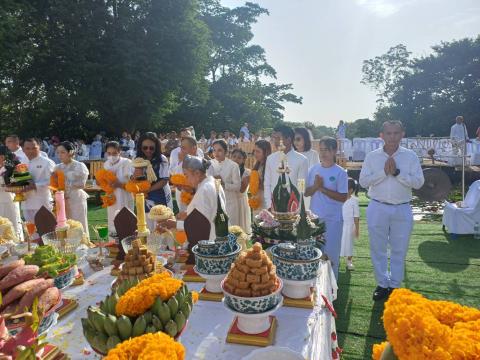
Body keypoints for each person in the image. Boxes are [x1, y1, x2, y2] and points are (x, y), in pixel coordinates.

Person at [359, 120, 424, 301]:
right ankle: (382, 284)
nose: (392, 137)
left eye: (396, 133)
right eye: (389, 133)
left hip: (402, 207)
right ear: (382, 135)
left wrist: (397, 173)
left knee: (399, 249)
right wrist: (383, 172)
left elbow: (419, 182)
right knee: (377, 248)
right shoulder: (372, 157)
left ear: (402, 134)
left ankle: (394, 285)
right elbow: (363, 182)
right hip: (377, 206)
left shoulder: (410, 156)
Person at [305, 137, 348, 279]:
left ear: (334, 151)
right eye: (321, 150)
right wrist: (316, 187)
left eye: (327, 150)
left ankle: (331, 289)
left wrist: (321, 188)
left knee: (330, 254)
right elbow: (306, 192)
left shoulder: (340, 172)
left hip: (333, 220)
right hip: (314, 219)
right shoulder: (313, 170)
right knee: (314, 252)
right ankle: (315, 285)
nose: (323, 153)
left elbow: (343, 197)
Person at [158, 155, 227, 241]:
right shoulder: (212, 182)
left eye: (187, 175)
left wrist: (175, 224)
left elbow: (200, 225)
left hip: (210, 243)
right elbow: (210, 210)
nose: (186, 180)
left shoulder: (204, 190)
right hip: (218, 236)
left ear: (197, 173)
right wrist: (188, 213)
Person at [264, 125, 308, 209]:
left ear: (289, 139)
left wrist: (295, 207)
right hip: (274, 207)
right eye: (274, 138)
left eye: (278, 138)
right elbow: (267, 184)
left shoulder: (302, 160)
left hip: (293, 208)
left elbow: (301, 187)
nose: (275, 142)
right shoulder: (270, 159)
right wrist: (269, 205)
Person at [53, 141, 90, 239]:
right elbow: (53, 185)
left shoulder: (79, 166)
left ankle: (83, 246)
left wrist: (66, 183)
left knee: (79, 224)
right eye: (58, 152)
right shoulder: (57, 167)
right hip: (62, 200)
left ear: (71, 152)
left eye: (63, 152)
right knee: (64, 224)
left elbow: (82, 184)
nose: (60, 155)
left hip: (76, 198)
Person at [136, 132, 172, 230]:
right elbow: (134, 179)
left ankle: (164, 246)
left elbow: (164, 180)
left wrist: (148, 190)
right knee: (146, 225)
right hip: (144, 196)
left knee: (162, 226)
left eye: (151, 148)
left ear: (156, 147)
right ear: (140, 147)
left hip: (160, 195)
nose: (148, 150)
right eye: (145, 147)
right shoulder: (137, 160)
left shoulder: (162, 159)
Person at [22, 138, 55, 224]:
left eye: (34, 148)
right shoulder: (21, 162)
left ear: (39, 147)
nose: (31, 151)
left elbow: (53, 181)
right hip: (26, 202)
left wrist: (35, 185)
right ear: (23, 149)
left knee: (46, 232)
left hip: (42, 202)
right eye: (27, 149)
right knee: (31, 232)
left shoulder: (47, 162)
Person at [103, 141, 134, 235]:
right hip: (111, 197)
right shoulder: (106, 164)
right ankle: (113, 246)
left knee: (125, 220)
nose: (111, 156)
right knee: (112, 220)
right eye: (109, 153)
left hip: (124, 196)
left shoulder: (126, 163)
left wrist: (119, 185)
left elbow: (132, 185)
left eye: (114, 153)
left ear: (119, 152)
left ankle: (127, 245)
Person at [210, 139, 242, 227]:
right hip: (214, 204)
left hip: (230, 203)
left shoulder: (233, 165)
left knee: (231, 230)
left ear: (226, 152)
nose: (216, 153)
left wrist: (223, 184)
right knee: (217, 231)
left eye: (219, 150)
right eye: (214, 150)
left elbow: (238, 186)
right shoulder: (210, 164)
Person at [171, 136, 201, 212]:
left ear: (194, 149)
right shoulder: (181, 163)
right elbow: (174, 176)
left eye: (184, 148)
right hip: (182, 203)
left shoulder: (204, 164)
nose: (181, 151)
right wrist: (180, 162)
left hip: (199, 203)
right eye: (181, 148)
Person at [0, 146, 23, 239]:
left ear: (3, 156)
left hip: (9, 202)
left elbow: (22, 185)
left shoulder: (16, 166)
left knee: (13, 229)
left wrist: (4, 186)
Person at [340, 178, 360, 271]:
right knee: (338, 243)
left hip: (349, 226)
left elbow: (356, 216)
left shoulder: (354, 201)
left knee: (349, 244)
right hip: (340, 225)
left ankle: (349, 261)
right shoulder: (338, 198)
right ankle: (336, 260)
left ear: (351, 190)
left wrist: (357, 229)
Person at [231, 148, 252, 234]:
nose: (236, 159)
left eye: (239, 158)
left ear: (243, 160)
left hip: (241, 200)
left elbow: (242, 190)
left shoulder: (247, 172)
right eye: (234, 156)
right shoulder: (229, 170)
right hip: (231, 200)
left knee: (241, 228)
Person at [251, 140, 272, 215]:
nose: (255, 154)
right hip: (256, 198)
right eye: (254, 151)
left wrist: (258, 183)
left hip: (265, 200)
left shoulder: (270, 166)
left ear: (265, 152)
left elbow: (270, 186)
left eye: (258, 151)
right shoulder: (257, 164)